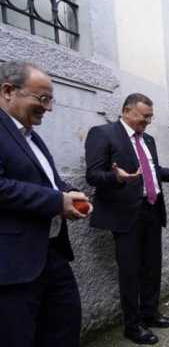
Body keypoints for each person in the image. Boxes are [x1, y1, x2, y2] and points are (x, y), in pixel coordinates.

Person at [85, 93, 169, 345]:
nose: (148, 121)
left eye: (151, 116)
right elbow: (93, 175)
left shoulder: (147, 139)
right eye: (144, 116)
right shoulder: (103, 133)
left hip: (152, 210)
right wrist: (117, 178)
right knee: (130, 272)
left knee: (152, 268)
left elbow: (156, 172)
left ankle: (150, 313)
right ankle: (132, 325)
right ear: (128, 111)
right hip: (125, 215)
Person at [0, 61, 92, 347]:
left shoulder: (31, 136)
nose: (49, 108)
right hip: (13, 264)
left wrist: (71, 194)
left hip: (51, 254)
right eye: (42, 98)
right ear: (8, 91)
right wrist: (56, 201)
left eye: (50, 100)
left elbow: (48, 182)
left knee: (64, 328)